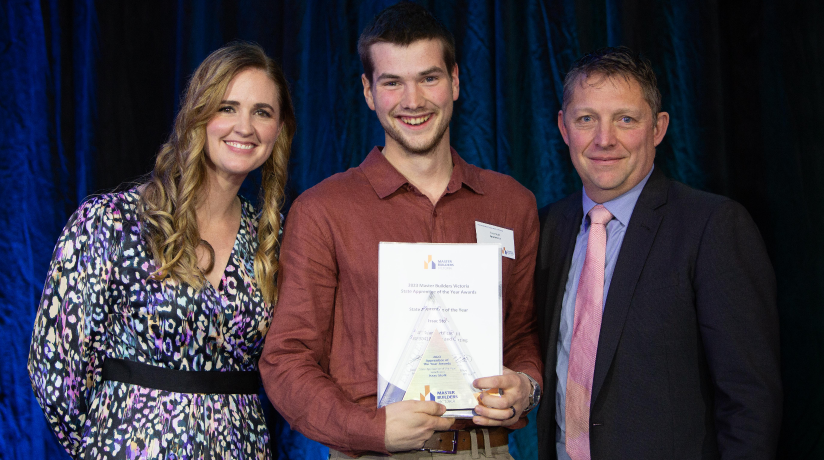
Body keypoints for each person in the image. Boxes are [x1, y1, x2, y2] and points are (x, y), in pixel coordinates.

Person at [259, 3, 542, 459]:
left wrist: (526, 387)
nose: (413, 100)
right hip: (372, 452)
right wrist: (369, 429)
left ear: (454, 81)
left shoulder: (513, 204)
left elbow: (523, 334)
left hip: (487, 450)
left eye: (428, 78)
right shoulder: (322, 211)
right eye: (393, 82)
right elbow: (286, 359)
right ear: (369, 92)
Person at [28, 41, 296, 459]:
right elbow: (54, 367)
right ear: (198, 116)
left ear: (278, 129)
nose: (244, 126)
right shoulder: (112, 222)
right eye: (227, 107)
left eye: (262, 112)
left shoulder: (269, 242)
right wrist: (111, 441)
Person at [535, 46, 782, 460]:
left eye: (625, 119)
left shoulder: (713, 226)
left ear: (658, 128)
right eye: (586, 119)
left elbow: (749, 400)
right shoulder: (546, 229)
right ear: (563, 127)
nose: (604, 139)